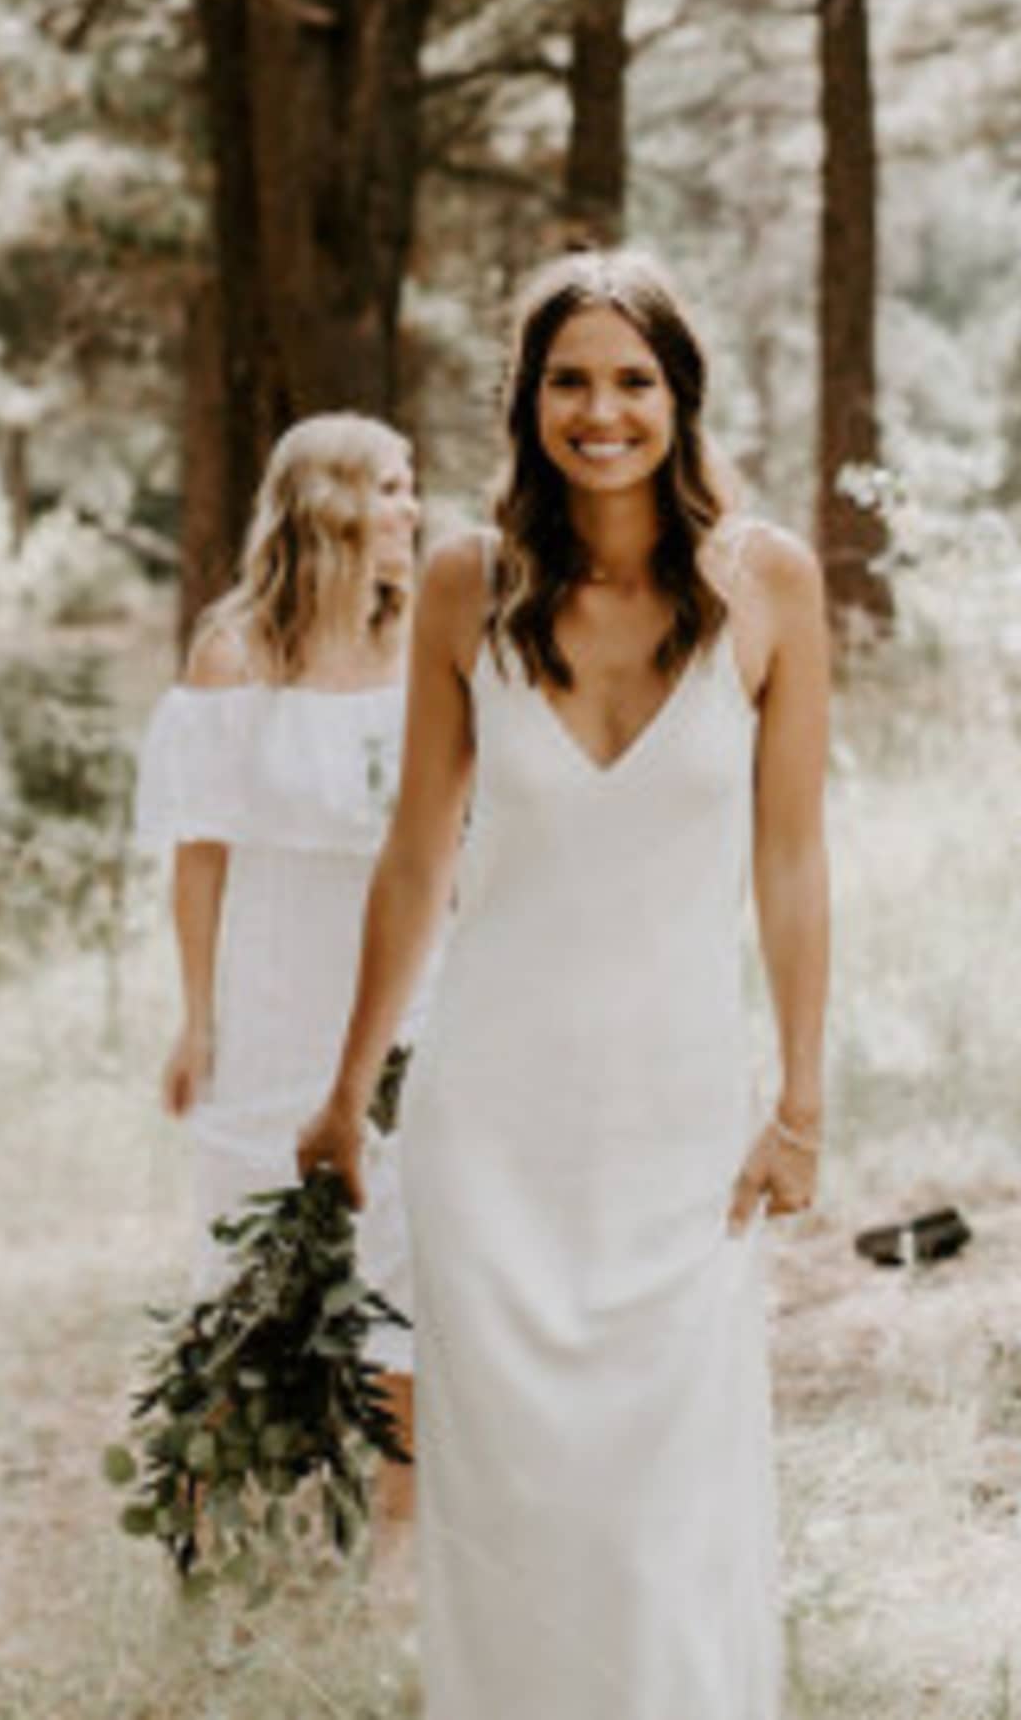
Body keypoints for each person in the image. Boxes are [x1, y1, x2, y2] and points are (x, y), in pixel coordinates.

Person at [300, 248, 830, 1719]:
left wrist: (801, 1098)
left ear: (682, 395)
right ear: (529, 402)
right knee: (517, 1497)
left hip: (680, 1113)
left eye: (632, 381)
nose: (602, 412)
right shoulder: (468, 584)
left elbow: (793, 868)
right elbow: (416, 857)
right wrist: (347, 1092)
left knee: (673, 1488)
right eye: (570, 381)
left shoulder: (770, 583)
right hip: (497, 1109)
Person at [136, 413, 433, 1537]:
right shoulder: (236, 654)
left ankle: (402, 1535)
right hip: (272, 982)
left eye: (414, 488)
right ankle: (229, 1523)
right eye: (393, 488)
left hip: (414, 984)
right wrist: (195, 1016)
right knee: (250, 1241)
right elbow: (200, 850)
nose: (412, 510)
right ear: (332, 505)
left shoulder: (431, 641)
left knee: (411, 1242)